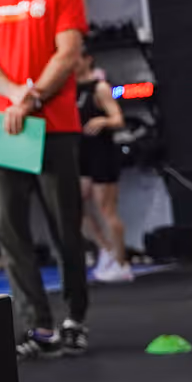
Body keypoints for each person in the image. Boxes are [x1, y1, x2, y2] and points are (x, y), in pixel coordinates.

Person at [0, 0, 91, 359]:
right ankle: (37, 327)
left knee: (66, 230)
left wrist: (32, 98)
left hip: (53, 124)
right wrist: (15, 96)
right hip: (5, 128)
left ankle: (75, 319)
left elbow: (69, 53)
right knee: (9, 230)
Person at [73, 48, 131, 284]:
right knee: (76, 208)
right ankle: (105, 249)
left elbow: (118, 119)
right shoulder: (67, 90)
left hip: (102, 153)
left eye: (76, 58)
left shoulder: (99, 87)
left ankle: (121, 262)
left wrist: (103, 120)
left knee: (106, 209)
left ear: (87, 60)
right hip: (81, 154)